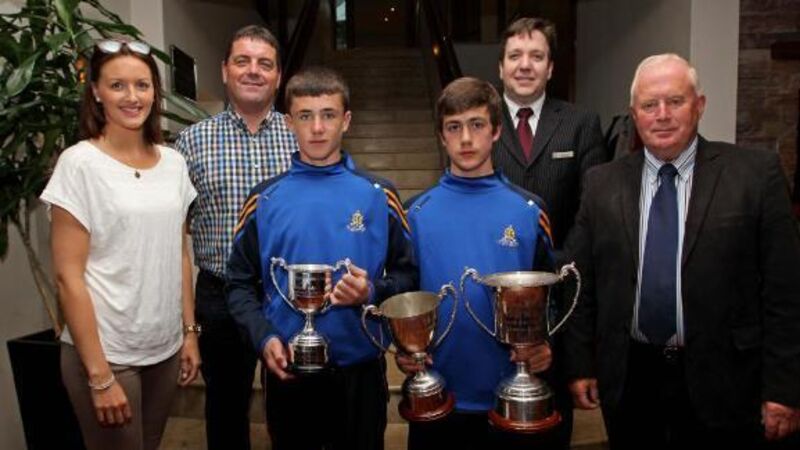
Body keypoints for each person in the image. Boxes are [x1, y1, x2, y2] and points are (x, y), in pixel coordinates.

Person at [563, 53, 800, 449]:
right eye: (649, 105)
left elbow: (786, 293)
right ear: (634, 115)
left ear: (699, 105)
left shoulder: (756, 176)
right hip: (631, 379)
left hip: (728, 381)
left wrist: (784, 389)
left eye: (675, 101)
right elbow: (581, 283)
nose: (662, 115)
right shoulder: (601, 183)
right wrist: (580, 365)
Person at [226, 66, 417, 450]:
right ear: (288, 123)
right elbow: (238, 285)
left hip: (360, 370)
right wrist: (264, 337)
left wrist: (371, 292)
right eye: (305, 116)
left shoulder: (379, 194)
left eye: (328, 115)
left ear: (346, 120)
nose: (317, 128)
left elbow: (408, 277)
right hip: (288, 369)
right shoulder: (263, 199)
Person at [41, 39, 200, 450]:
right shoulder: (79, 164)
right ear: (96, 91)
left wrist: (188, 333)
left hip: (164, 349)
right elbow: (68, 277)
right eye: (117, 85)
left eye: (142, 85)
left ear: (154, 92)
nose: (132, 97)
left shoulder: (174, 163)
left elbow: (178, 254)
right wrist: (99, 376)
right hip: (108, 353)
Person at [399, 77, 554, 450]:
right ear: (441, 136)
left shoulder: (529, 211)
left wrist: (546, 342)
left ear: (497, 130)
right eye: (454, 127)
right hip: (437, 396)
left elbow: (553, 298)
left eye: (477, 124)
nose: (466, 139)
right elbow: (403, 295)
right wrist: (403, 345)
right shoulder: (415, 213)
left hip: (510, 397)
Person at [174, 25, 297, 450]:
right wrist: (188, 327)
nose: (253, 71)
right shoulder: (191, 143)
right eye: (242, 61)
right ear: (225, 70)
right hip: (220, 296)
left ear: (278, 76)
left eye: (265, 63)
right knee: (225, 410)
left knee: (291, 407)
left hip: (287, 295)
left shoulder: (302, 136)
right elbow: (175, 234)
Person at [491, 17, 608, 448]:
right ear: (501, 67)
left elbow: (591, 210)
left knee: (550, 429)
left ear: (551, 67)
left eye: (536, 56)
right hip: (491, 303)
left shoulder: (581, 123)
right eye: (515, 56)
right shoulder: (478, 122)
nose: (525, 65)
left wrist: (555, 269)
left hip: (560, 304)